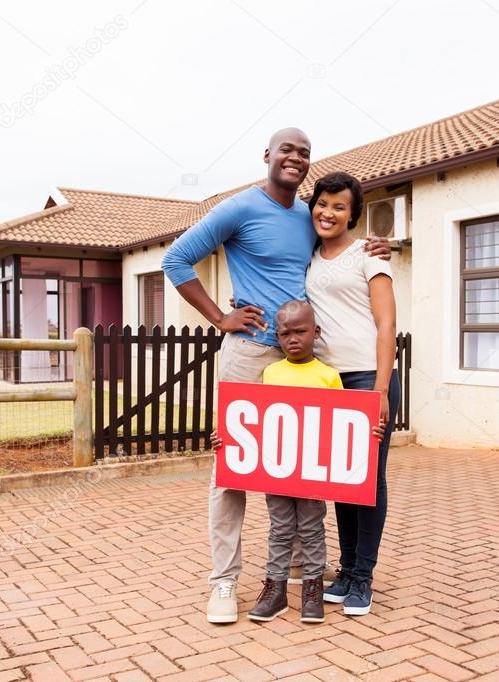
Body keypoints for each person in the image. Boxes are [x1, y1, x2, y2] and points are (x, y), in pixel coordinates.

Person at [161, 128, 391, 624]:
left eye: (304, 153)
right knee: (233, 468)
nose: (295, 158)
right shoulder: (239, 207)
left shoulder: (309, 218)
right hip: (249, 354)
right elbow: (175, 259)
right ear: (267, 155)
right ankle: (223, 582)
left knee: (303, 463)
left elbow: (337, 246)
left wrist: (378, 246)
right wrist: (219, 318)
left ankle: (297, 568)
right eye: (286, 149)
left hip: (307, 361)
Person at [211, 300, 386, 624]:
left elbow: (344, 424)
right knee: (279, 530)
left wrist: (369, 431)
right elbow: (256, 421)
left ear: (316, 333)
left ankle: (312, 590)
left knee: (311, 530)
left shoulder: (329, 376)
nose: (292, 339)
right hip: (277, 475)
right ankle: (275, 589)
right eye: (285, 333)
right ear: (277, 337)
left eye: (300, 331)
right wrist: (227, 439)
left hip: (312, 476)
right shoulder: (270, 372)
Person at [306, 171, 399, 616]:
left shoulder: (368, 255)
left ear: (352, 215)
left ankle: (363, 577)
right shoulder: (309, 257)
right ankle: (345, 571)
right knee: (342, 479)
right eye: (323, 203)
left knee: (368, 481)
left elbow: (387, 326)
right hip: (328, 378)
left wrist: (380, 390)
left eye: (339, 206)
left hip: (367, 378)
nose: (329, 212)